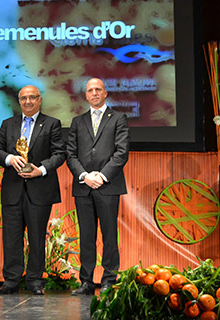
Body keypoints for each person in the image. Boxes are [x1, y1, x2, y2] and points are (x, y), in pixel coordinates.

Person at [0, 85, 66, 295]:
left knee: (37, 237)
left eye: (32, 97)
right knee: (11, 237)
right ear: (19, 101)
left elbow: (59, 154)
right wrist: (9, 158)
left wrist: (40, 170)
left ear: (40, 100)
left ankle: (34, 280)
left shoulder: (52, 124)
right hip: (12, 190)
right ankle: (11, 280)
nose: (28, 102)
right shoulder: (8, 124)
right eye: (24, 98)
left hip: (39, 189)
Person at [66, 78, 130, 295]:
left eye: (98, 90)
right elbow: (71, 154)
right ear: (86, 95)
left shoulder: (119, 118)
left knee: (109, 234)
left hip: (107, 186)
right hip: (84, 186)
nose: (94, 93)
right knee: (86, 235)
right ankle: (86, 282)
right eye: (90, 90)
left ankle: (109, 280)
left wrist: (101, 176)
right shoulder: (77, 121)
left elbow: (121, 152)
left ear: (105, 93)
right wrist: (84, 175)